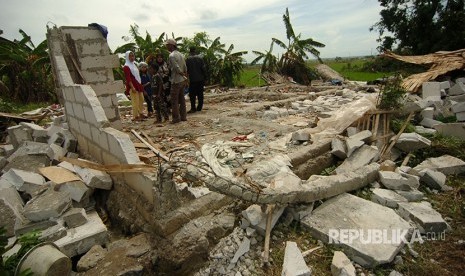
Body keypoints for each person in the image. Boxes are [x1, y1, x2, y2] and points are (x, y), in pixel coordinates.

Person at [165, 39, 187, 124]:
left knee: (174, 100)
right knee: (182, 99)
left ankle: (176, 118)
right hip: (182, 80)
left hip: (175, 80)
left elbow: (176, 68)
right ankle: (183, 116)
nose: (166, 47)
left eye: (167, 45)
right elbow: (185, 66)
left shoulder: (171, 56)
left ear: (171, 45)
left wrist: (181, 74)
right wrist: (185, 76)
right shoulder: (180, 54)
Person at [123, 51, 145, 121]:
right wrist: (132, 87)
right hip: (133, 85)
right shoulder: (126, 66)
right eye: (130, 56)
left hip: (138, 84)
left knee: (141, 99)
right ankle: (136, 116)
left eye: (133, 56)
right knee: (135, 101)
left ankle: (141, 112)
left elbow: (138, 76)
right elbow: (128, 78)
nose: (132, 57)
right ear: (127, 57)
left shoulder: (134, 65)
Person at [186, 46, 206, 113]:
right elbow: (203, 69)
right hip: (200, 79)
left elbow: (187, 70)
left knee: (192, 95)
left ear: (190, 51)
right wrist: (205, 78)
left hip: (192, 80)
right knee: (200, 94)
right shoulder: (200, 58)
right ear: (195, 51)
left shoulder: (188, 59)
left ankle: (193, 108)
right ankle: (199, 108)